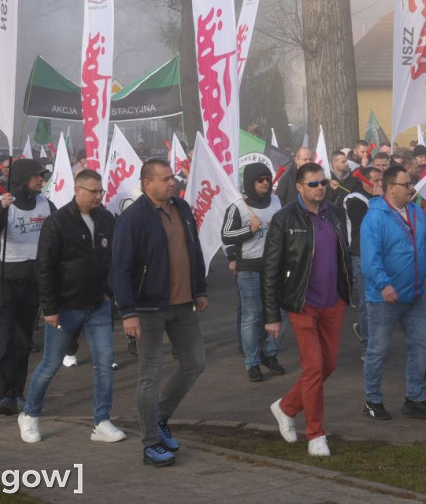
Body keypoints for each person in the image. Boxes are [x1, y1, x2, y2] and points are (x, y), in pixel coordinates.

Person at [110, 159, 208, 467]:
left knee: (194, 363)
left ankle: (161, 417)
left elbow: (194, 249)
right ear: (146, 183)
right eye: (165, 179)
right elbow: (120, 268)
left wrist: (200, 289)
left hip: (183, 304)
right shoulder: (133, 218)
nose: (172, 182)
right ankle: (150, 442)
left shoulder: (182, 208)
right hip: (148, 308)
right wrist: (128, 312)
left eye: (172, 177)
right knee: (150, 375)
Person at [18, 170, 126, 444]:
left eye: (100, 191)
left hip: (98, 305)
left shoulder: (107, 219)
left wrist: (109, 291)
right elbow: (45, 267)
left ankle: (101, 422)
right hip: (65, 306)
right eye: (93, 192)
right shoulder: (57, 221)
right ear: (78, 191)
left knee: (104, 363)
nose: (98, 196)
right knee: (51, 363)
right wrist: (50, 308)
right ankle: (30, 414)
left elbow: (113, 258)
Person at [261, 162, 353, 457]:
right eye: (313, 183)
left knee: (328, 365)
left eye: (323, 182)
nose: (320, 188)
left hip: (332, 301)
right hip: (302, 303)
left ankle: (286, 407)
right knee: (313, 368)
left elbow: (344, 255)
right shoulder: (284, 218)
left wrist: (347, 292)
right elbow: (270, 268)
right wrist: (271, 316)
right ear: (299, 187)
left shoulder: (334, 213)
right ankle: (315, 434)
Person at [360, 164, 426, 422]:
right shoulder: (375, 217)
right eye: (406, 185)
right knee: (378, 349)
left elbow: (424, 246)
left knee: (420, 345)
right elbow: (370, 258)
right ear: (391, 188)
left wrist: (425, 271)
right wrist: (384, 284)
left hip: (415, 295)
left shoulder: (416, 212)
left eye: (411, 183)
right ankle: (372, 400)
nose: (411, 188)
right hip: (385, 298)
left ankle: (414, 398)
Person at [0, 159, 55, 415]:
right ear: (22, 178)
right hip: (4, 281)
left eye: (42, 176)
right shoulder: (3, 202)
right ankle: (3, 395)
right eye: (37, 176)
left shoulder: (45, 204)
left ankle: (17, 392)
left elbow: (58, 231)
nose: (41, 181)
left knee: (23, 341)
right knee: (3, 339)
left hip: (32, 281)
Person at [221, 162, 285, 382]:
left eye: (268, 179)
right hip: (249, 268)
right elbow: (226, 235)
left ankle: (270, 353)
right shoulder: (238, 206)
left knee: (282, 313)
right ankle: (252, 363)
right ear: (250, 182)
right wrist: (250, 229)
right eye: (260, 180)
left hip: (275, 266)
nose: (265, 183)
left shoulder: (277, 201)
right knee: (251, 316)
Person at [342, 167, 383, 359]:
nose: (379, 184)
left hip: (379, 253)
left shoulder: (376, 198)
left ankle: (372, 336)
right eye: (375, 180)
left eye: (381, 180)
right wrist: (378, 200)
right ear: (365, 181)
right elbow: (368, 221)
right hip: (361, 255)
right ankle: (367, 346)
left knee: (378, 302)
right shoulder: (354, 200)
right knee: (368, 303)